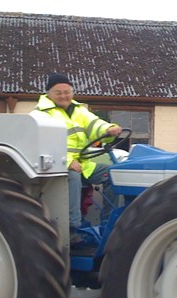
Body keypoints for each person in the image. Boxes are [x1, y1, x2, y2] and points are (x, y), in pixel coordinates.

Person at [33, 72, 123, 245]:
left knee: (114, 172)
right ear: (48, 94)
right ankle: (74, 227)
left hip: (83, 164)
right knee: (73, 177)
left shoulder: (79, 111)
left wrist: (109, 129)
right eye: (58, 92)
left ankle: (109, 223)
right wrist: (67, 161)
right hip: (54, 166)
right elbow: (42, 144)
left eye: (67, 92)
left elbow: (95, 124)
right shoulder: (40, 115)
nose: (64, 96)